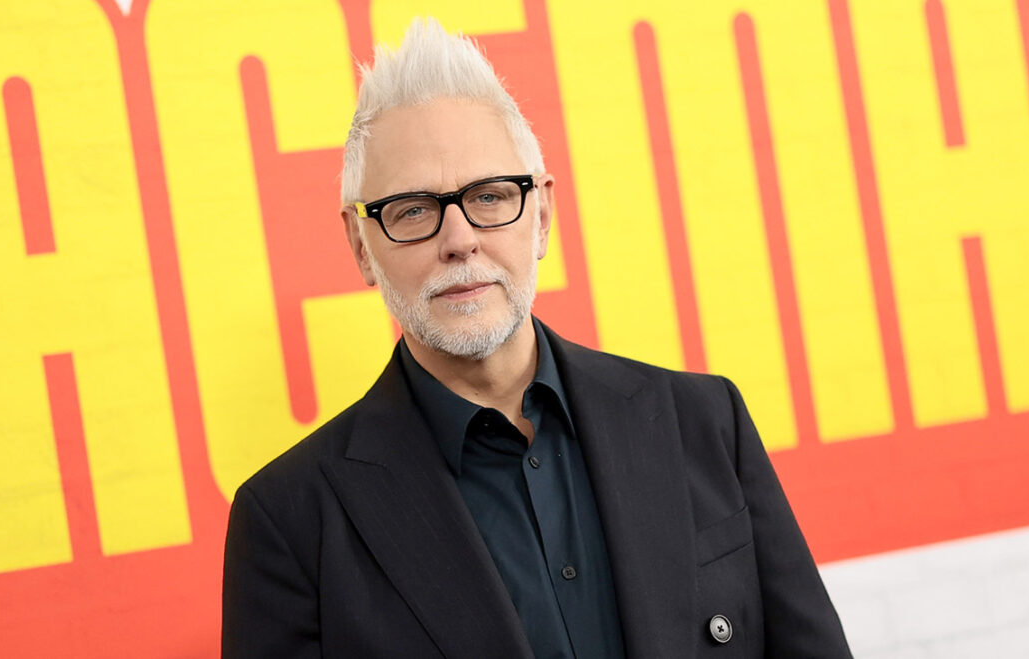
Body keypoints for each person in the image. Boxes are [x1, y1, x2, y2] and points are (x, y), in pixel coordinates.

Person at [222, 18, 851, 659]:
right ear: (362, 247)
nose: (460, 239)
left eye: (491, 196)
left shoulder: (703, 423)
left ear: (541, 215)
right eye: (413, 210)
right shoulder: (290, 522)